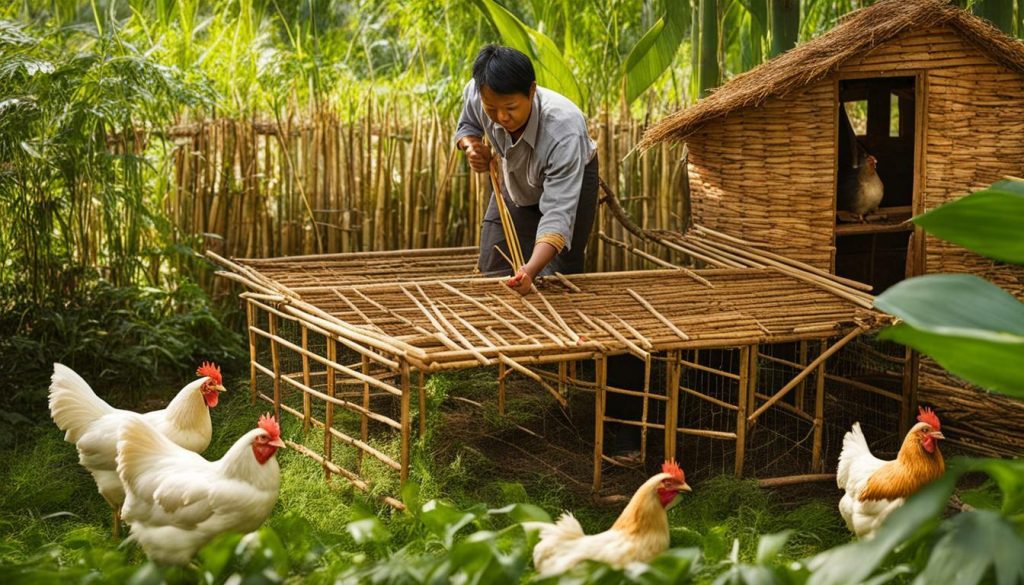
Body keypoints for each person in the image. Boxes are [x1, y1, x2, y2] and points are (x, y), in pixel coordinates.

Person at [454, 44, 598, 295]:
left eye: (510, 108)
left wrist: (529, 270)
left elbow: (557, 214)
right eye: (491, 109)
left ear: (532, 91)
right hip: (514, 177)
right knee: (492, 265)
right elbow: (467, 126)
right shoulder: (478, 94)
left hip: (571, 181)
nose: (501, 117)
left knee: (559, 276)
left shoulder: (564, 130)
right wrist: (471, 147)